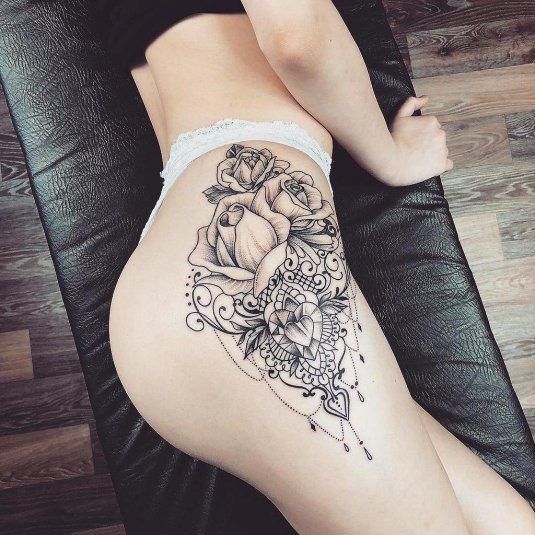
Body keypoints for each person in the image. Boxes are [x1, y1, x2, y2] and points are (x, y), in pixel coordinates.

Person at [103, 1, 535, 533]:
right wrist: (392, 156)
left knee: (511, 524)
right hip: (227, 292)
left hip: (175, 282)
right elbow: (297, 37)